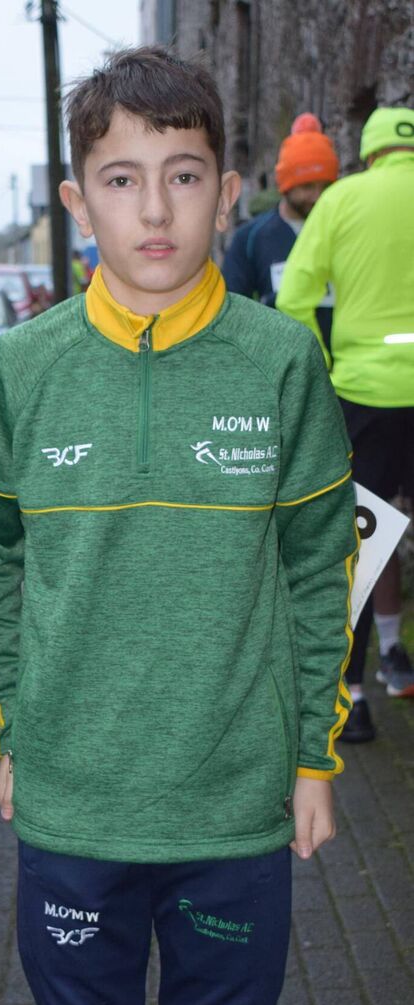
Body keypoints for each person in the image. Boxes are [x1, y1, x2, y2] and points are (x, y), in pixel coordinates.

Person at [0, 46, 357, 1005]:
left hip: (232, 809)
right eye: (122, 177)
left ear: (227, 189)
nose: (154, 208)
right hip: (74, 808)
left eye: (182, 175)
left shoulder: (281, 360)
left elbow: (310, 571)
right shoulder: (20, 368)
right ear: (74, 196)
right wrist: (4, 726)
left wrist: (310, 759)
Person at [277, 106, 414, 743]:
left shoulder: (343, 200)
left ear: (366, 151)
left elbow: (293, 297)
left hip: (365, 397)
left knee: (356, 549)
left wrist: (325, 369)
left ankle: (351, 700)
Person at [223, 113, 338, 348]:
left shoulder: (346, 233)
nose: (316, 197)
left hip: (343, 370)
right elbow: (231, 313)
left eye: (325, 186)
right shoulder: (251, 238)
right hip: (277, 369)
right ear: (284, 185)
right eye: (306, 187)